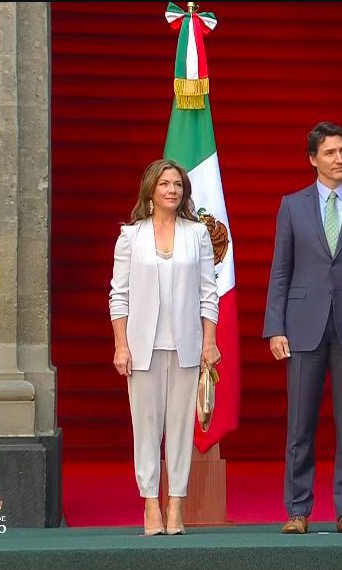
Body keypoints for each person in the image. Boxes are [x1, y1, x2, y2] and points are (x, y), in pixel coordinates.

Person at [263, 121, 342, 535]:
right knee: (299, 424)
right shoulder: (292, 206)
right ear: (313, 159)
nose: (340, 159)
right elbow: (280, 271)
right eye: (331, 153)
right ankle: (297, 510)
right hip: (303, 326)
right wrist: (275, 327)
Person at [110, 158, 220, 537]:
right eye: (164, 184)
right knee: (146, 428)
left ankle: (176, 503)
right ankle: (150, 503)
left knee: (180, 429)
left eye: (177, 184)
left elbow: (208, 292)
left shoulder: (197, 234)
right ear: (151, 190)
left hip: (187, 346)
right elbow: (119, 295)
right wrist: (121, 345)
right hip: (143, 348)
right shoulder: (130, 236)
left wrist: (209, 342)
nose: (172, 190)